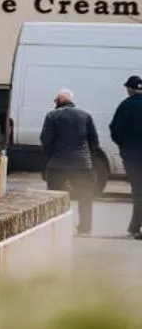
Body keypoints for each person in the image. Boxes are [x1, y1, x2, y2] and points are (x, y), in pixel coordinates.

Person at [41, 88, 105, 235]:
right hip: (82, 164)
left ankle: (55, 225)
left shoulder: (52, 116)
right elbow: (94, 141)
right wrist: (89, 157)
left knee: (55, 197)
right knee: (85, 196)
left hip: (58, 164)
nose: (54, 102)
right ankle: (85, 227)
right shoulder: (85, 116)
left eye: (56, 100)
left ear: (60, 101)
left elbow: (46, 139)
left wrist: (51, 154)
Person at [111, 74, 142, 238]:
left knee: (138, 191)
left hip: (132, 156)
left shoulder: (125, 106)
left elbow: (115, 130)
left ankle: (135, 227)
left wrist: (124, 146)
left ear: (130, 89)